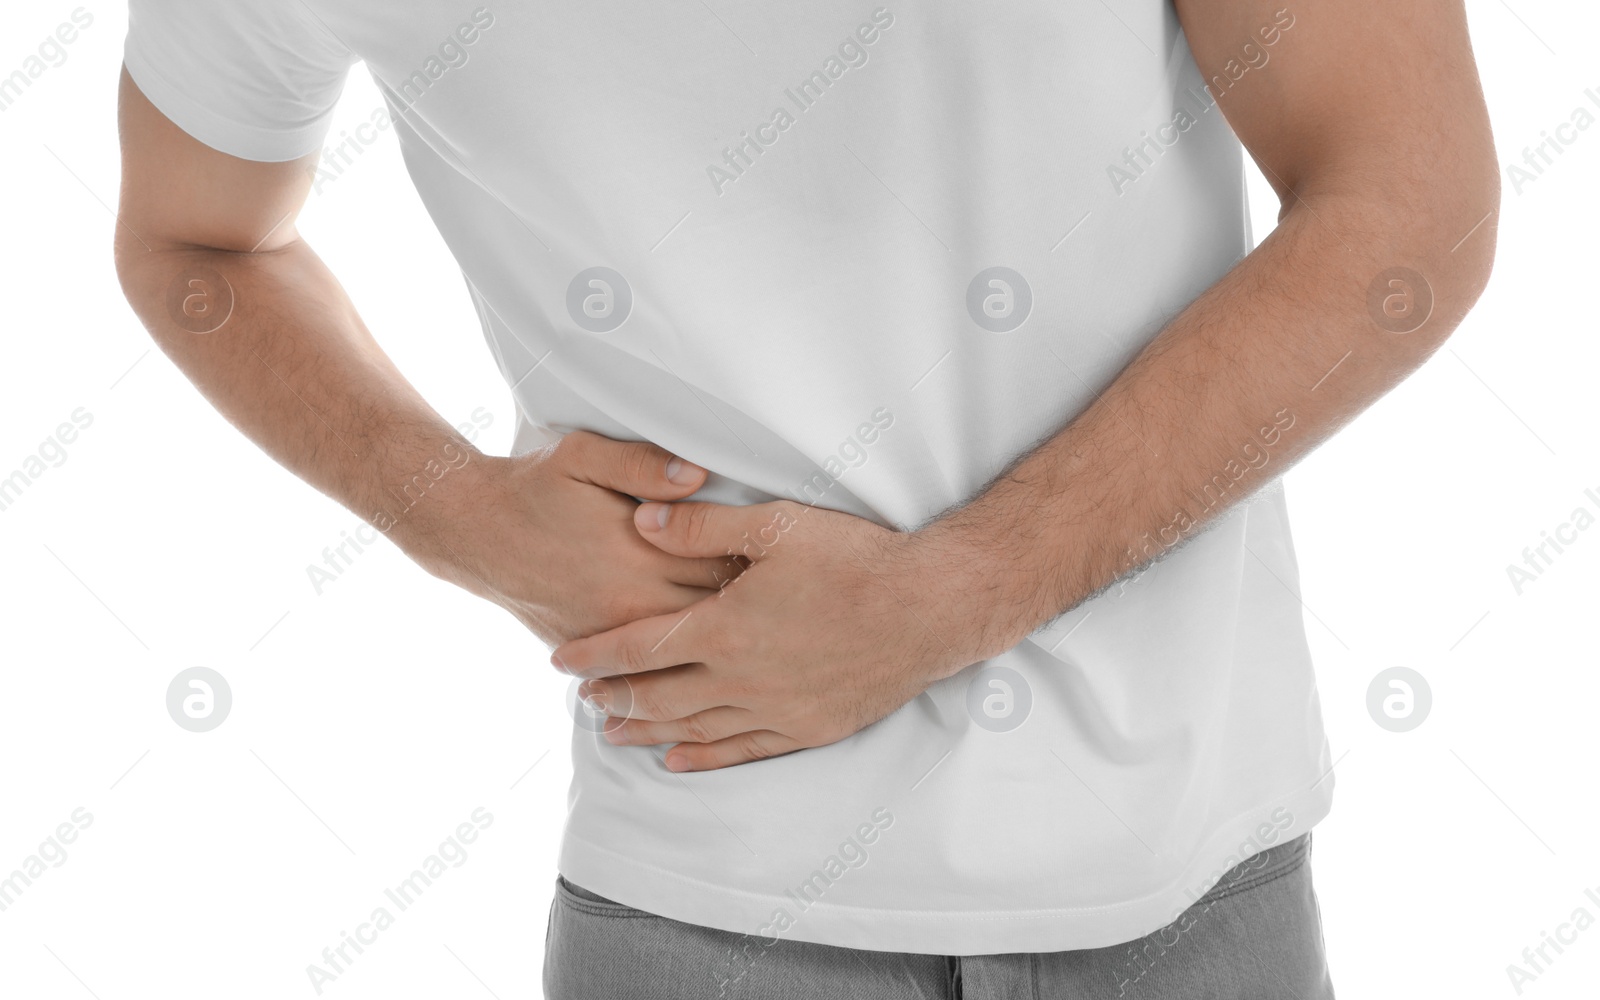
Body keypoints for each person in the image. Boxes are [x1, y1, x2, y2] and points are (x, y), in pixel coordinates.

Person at [114, 0, 1498, 996]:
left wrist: (964, 589)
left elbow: (1409, 200)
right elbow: (194, 236)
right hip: (701, 903)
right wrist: (451, 509)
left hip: (1191, 885)